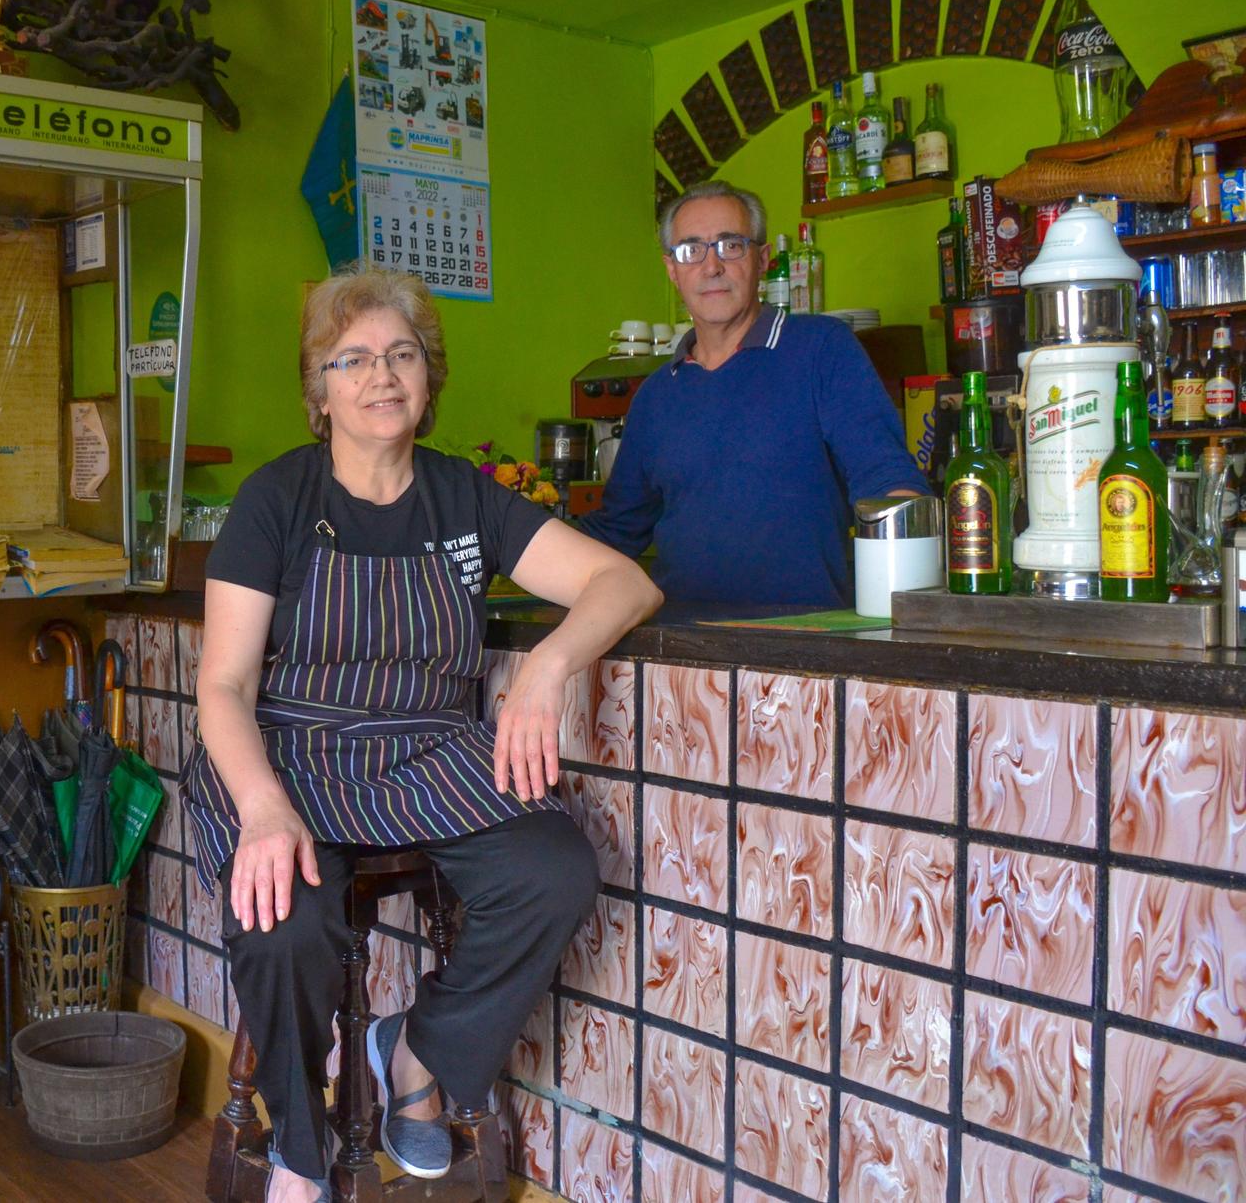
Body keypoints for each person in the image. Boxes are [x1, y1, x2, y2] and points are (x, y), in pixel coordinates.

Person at [183, 268, 660, 1203]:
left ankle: (416, 1049)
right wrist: (263, 805)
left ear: (429, 378)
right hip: (292, 750)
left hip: (429, 751)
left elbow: (624, 584)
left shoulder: (467, 500)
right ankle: (298, 1145)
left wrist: (547, 665)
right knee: (283, 920)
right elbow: (225, 684)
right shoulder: (274, 499)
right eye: (351, 358)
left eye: (401, 354)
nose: (380, 375)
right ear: (320, 390)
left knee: (554, 866)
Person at [579, 180, 927, 608]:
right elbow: (617, 531)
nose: (712, 267)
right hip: (681, 652)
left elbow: (889, 483)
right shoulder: (655, 396)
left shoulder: (822, 350)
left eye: (731, 246)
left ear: (762, 259)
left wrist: (905, 620)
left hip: (804, 650)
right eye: (692, 250)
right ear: (672, 269)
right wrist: (504, 530)